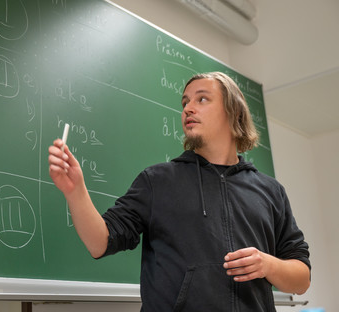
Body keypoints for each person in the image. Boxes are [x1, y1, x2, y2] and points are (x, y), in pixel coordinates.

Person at [48, 72, 311, 311]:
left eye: (202, 99)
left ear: (234, 112)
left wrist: (267, 264)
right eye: (185, 102)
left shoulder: (270, 190)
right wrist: (76, 192)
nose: (188, 108)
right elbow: (100, 242)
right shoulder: (157, 181)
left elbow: (302, 278)